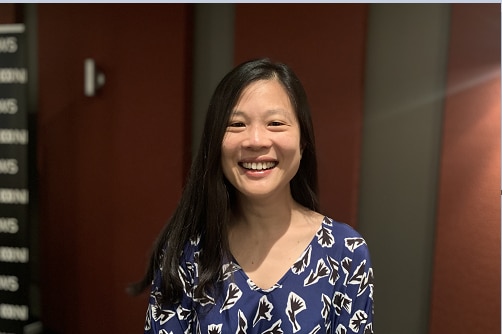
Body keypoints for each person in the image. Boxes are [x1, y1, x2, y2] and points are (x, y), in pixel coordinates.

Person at [130, 58, 374, 333]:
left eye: (275, 123)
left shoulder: (345, 252)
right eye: (236, 124)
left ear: (303, 141)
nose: (256, 140)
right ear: (215, 143)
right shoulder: (186, 253)